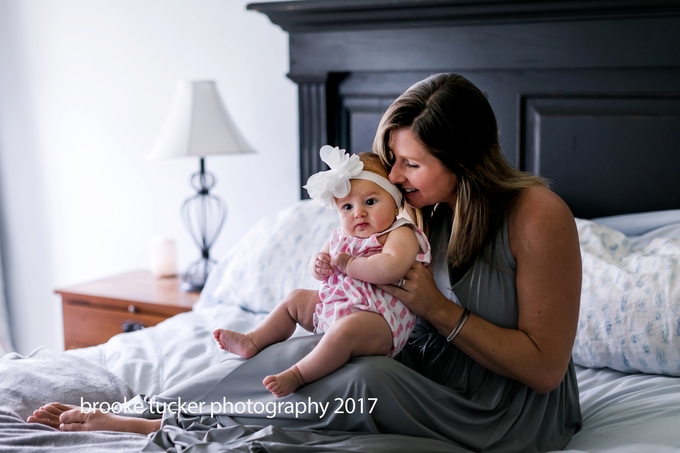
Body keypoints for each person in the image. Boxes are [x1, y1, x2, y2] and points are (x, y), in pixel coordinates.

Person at [29, 73, 582, 452]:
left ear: (463, 158)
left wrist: (436, 310)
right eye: (393, 161)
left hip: (502, 410)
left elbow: (544, 369)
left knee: (356, 378)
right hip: (424, 369)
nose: (394, 178)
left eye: (411, 163)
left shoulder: (537, 215)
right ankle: (152, 411)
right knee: (297, 351)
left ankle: (171, 429)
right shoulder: (420, 208)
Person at [213, 147, 431, 397]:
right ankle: (253, 340)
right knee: (295, 299)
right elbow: (321, 264)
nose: (358, 213)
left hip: (380, 321)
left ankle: (299, 374)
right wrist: (318, 265)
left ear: (395, 203)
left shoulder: (400, 232)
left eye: (370, 202)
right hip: (337, 308)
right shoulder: (341, 237)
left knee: (345, 331)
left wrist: (350, 265)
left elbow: (391, 268)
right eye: (347, 207)